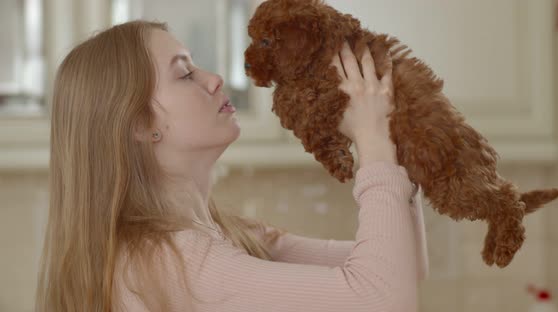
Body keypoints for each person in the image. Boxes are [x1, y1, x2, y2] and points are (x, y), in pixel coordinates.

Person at [35, 20, 429, 312]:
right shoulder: (172, 260)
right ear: (140, 124)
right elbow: (384, 297)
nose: (214, 79)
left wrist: (392, 140)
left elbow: (403, 268)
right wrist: (371, 139)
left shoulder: (229, 235)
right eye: (185, 73)